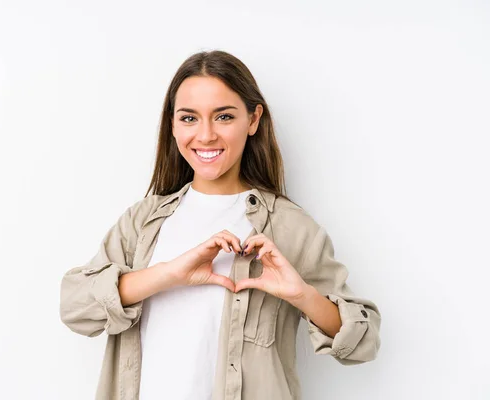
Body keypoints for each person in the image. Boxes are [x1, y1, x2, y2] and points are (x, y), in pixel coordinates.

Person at [59, 50, 381, 400]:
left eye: (224, 116)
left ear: (253, 119)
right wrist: (168, 273)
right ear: (172, 124)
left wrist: (302, 294)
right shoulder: (142, 221)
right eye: (189, 118)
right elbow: (75, 307)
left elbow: (364, 342)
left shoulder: (291, 228)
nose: (206, 135)